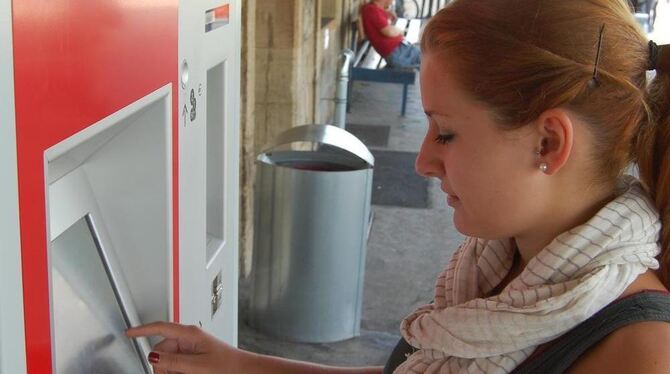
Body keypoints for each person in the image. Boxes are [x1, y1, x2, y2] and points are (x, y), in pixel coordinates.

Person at [127, 0, 670, 372]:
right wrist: (236, 363)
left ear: (548, 143)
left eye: (447, 132)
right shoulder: (505, 259)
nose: (423, 160)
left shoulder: (640, 352)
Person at [360, 0, 421, 69]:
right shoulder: (372, 10)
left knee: (425, 56)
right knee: (426, 59)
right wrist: (399, 31)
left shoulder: (374, 9)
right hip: (398, 53)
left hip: (400, 51)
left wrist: (386, 12)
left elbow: (379, 20)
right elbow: (388, 31)